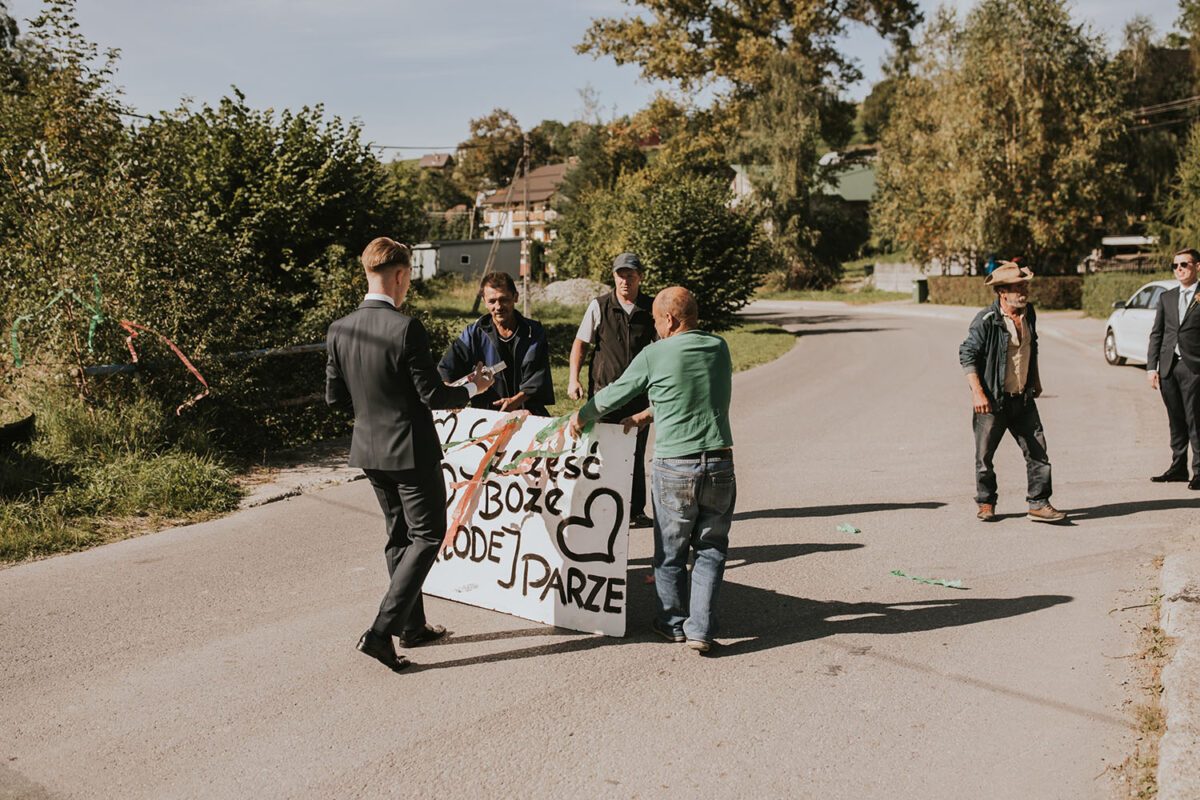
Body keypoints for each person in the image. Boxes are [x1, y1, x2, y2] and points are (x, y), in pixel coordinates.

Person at [326, 237, 494, 673]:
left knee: (399, 536)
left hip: (368, 447)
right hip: (411, 449)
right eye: (408, 281)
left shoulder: (338, 328)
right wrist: (474, 387)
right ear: (400, 275)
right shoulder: (405, 328)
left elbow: (335, 400)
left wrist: (372, 417)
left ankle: (412, 627)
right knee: (427, 535)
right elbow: (434, 396)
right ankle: (381, 633)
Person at [569, 287, 734, 654]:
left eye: (658, 321)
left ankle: (672, 622)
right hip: (721, 462)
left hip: (676, 465)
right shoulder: (718, 347)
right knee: (710, 550)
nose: (656, 327)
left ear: (670, 321)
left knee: (671, 551)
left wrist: (581, 415)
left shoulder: (654, 354)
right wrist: (648, 413)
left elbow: (616, 393)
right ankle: (701, 629)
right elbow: (697, 391)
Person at [959, 261, 1066, 523]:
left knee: (1038, 452)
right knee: (984, 457)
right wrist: (978, 393)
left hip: (1023, 399)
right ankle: (986, 502)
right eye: (1018, 287)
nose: (1024, 291)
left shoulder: (1029, 313)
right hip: (993, 401)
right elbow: (967, 354)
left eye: (1025, 285)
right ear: (1001, 292)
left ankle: (1039, 503)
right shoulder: (986, 320)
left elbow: (1032, 348)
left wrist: (1036, 380)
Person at [567, 252, 657, 528]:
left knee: (635, 452)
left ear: (640, 277)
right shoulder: (599, 306)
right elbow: (581, 343)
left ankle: (635, 510)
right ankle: (601, 509)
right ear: (614, 277)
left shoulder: (651, 309)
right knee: (602, 452)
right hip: (604, 394)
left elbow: (663, 350)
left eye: (630, 275)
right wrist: (574, 379)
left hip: (639, 396)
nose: (624, 281)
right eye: (620, 275)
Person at [438, 271, 554, 417]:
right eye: (492, 301)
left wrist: (515, 401)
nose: (498, 307)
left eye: (503, 299)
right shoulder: (474, 332)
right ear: (484, 301)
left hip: (528, 412)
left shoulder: (533, 332)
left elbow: (538, 376)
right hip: (486, 414)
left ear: (515, 297)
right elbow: (447, 369)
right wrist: (449, 394)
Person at [1147, 249, 1200, 488]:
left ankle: (1198, 471)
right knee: (1175, 419)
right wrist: (1151, 367)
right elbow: (1157, 334)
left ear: (1197, 266)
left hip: (1194, 367)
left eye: (1184, 264)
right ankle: (1178, 467)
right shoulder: (1166, 297)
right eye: (1175, 265)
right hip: (1168, 367)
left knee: (1195, 420)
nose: (1179, 269)